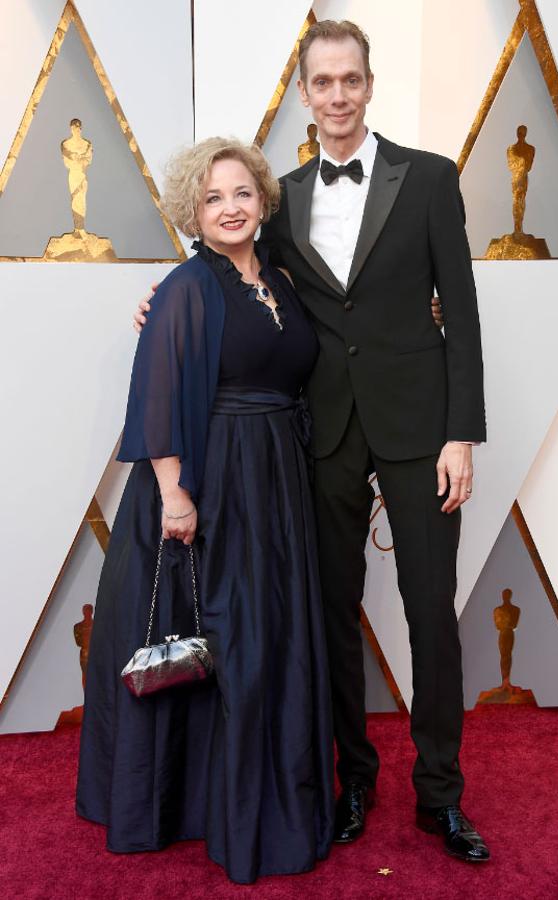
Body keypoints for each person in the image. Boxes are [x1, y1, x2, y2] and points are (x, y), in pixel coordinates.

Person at [135, 19, 489, 864]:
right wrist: (158, 302)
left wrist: (461, 433)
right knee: (330, 615)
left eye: (350, 81)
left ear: (370, 85)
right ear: (305, 93)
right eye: (321, 83)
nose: (336, 96)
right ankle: (353, 781)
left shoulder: (432, 179)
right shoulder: (280, 194)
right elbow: (226, 267)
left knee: (431, 615)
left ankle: (440, 795)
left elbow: (464, 316)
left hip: (417, 428)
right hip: (319, 431)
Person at [76, 138, 334, 885]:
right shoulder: (187, 286)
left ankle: (264, 792)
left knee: (267, 641)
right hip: (211, 484)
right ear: (194, 209)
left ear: (263, 203)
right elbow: (156, 388)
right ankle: (206, 806)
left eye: (243, 193)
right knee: (224, 641)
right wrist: (174, 493)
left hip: (279, 480)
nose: (230, 207)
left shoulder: (282, 282)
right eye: (214, 197)